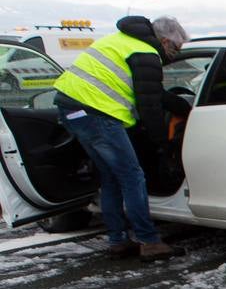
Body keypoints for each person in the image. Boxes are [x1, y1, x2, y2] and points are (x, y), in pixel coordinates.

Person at [52, 16, 191, 261]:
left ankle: (118, 240)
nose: (175, 53)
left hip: (71, 107)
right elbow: (149, 107)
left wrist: (179, 105)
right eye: (176, 48)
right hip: (97, 113)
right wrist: (162, 143)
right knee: (133, 176)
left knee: (111, 177)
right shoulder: (146, 53)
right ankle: (148, 241)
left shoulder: (121, 40)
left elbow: (153, 93)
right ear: (166, 40)